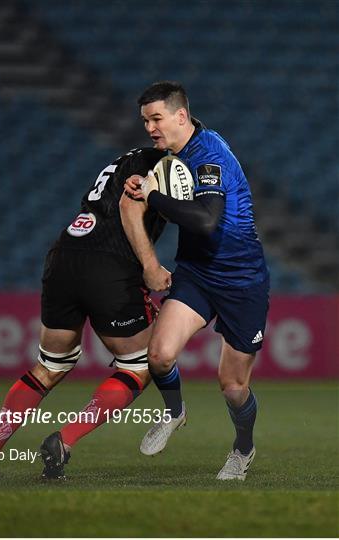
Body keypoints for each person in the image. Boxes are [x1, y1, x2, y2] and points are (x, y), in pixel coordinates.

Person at [0, 147, 171, 481]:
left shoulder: (125, 159)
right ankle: (66, 439)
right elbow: (131, 208)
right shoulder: (168, 162)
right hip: (110, 265)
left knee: (50, 366)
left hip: (65, 252)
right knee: (139, 365)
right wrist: (151, 266)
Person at [123, 81, 270, 481]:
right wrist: (144, 187)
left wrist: (152, 197)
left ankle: (243, 448)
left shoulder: (209, 156)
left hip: (242, 280)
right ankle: (175, 412)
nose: (150, 128)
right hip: (197, 273)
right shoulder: (176, 153)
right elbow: (171, 194)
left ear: (181, 116)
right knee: (159, 356)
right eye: (146, 120)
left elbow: (206, 222)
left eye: (157, 118)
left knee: (233, 386)